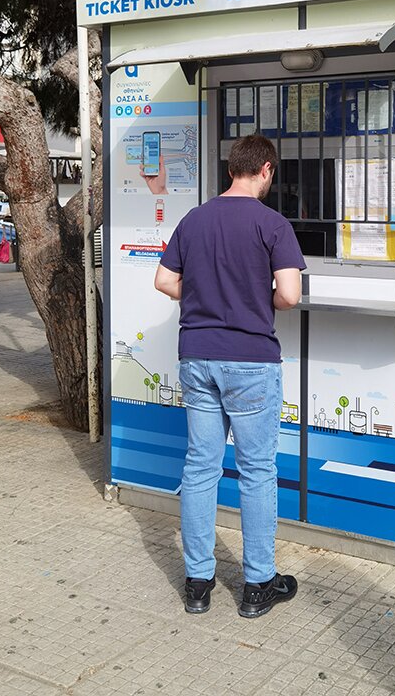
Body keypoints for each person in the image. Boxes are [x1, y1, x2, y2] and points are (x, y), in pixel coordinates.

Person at [154, 134, 306, 618]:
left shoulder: (194, 219)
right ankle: (258, 585)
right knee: (257, 471)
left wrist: (204, 294)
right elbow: (289, 295)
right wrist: (251, 294)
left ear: (229, 170)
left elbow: (164, 280)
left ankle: (198, 583)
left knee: (200, 468)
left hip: (196, 356)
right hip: (250, 360)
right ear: (265, 169)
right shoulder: (273, 224)